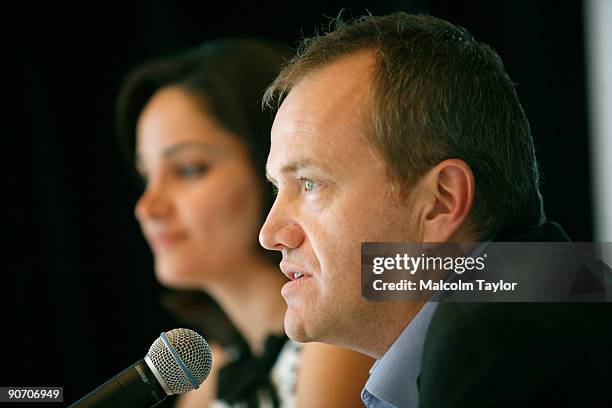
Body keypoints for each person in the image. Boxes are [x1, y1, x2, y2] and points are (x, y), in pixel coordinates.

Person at [259, 13, 612, 407]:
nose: (271, 233)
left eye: (310, 184)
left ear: (441, 202)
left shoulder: (498, 340)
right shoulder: (535, 297)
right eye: (277, 188)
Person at [116, 38, 373, 408]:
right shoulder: (208, 377)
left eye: (189, 169)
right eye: (146, 176)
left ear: (270, 168)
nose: (148, 206)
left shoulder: (336, 342)